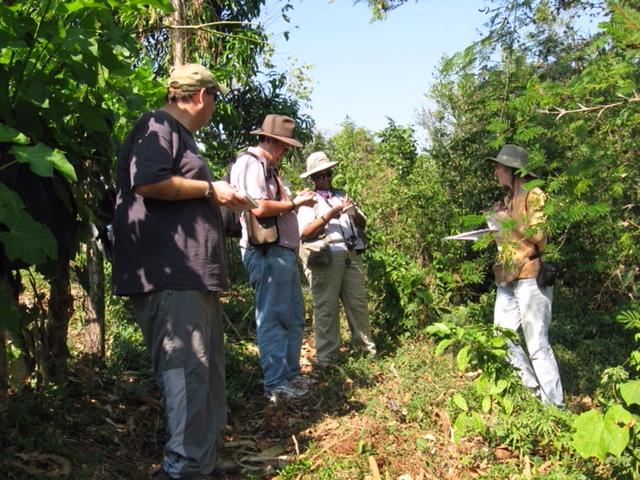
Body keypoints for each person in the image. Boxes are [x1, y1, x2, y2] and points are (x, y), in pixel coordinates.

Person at [112, 63, 247, 479]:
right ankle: (183, 469)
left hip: (194, 277)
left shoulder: (184, 140)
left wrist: (222, 205)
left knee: (206, 375)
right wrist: (210, 188)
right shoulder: (156, 126)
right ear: (202, 96)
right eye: (214, 101)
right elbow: (147, 182)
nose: (213, 110)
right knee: (186, 375)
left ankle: (201, 462)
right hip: (170, 277)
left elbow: (181, 197)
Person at [229, 114, 316, 403]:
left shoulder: (269, 166)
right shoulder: (251, 163)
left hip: (283, 252)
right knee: (273, 318)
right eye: (284, 145)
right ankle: (276, 384)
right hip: (267, 253)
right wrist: (295, 203)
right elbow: (258, 207)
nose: (286, 151)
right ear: (271, 139)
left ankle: (289, 377)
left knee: (292, 318)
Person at [487, 144, 564, 407]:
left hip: (530, 277)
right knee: (501, 338)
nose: (496, 171)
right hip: (507, 278)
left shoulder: (534, 194)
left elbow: (539, 237)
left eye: (499, 166)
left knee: (537, 345)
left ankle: (555, 407)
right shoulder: (508, 198)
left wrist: (507, 219)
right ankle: (532, 392)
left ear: (511, 169)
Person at [297, 152, 376, 368]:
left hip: (351, 255)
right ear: (313, 179)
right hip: (325, 258)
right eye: (320, 176)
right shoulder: (308, 201)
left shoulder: (343, 195)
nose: (325, 179)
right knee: (326, 308)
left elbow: (362, 223)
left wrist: (351, 212)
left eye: (328, 174)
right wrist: (328, 216)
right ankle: (328, 359)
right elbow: (304, 233)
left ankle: (365, 351)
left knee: (358, 304)